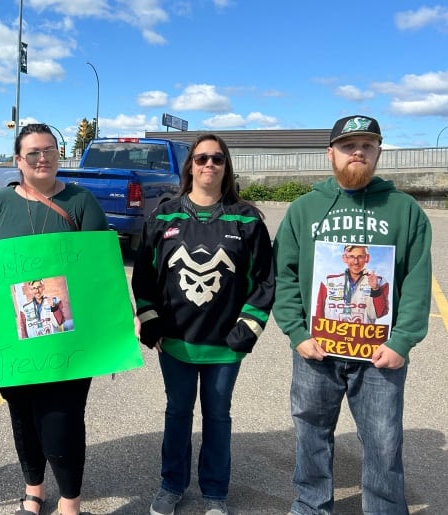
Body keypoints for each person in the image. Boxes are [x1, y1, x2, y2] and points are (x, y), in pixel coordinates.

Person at [0, 123, 108, 515]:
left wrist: (121, 320)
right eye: (32, 152)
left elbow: (103, 272)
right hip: (10, 339)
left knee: (62, 420)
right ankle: (34, 489)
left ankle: (70, 498)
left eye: (49, 150)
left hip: (67, 338)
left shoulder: (82, 202)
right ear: (18, 160)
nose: (42, 158)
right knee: (23, 417)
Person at [272, 115, 432, 514]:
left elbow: (416, 279)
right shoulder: (304, 209)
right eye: (348, 145)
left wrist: (402, 340)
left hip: (380, 356)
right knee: (311, 434)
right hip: (317, 349)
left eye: (367, 144)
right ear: (331, 153)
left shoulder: (404, 210)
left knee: (383, 441)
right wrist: (296, 332)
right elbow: (283, 275)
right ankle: (310, 506)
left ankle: (384, 509)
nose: (357, 152)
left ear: (378, 151)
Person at [132, 134, 274, 515]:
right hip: (176, 343)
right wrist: (150, 323)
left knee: (217, 417)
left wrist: (246, 331)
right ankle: (171, 485)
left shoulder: (246, 219)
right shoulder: (163, 216)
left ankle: (215, 493)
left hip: (225, 346)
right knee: (177, 414)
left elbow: (264, 281)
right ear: (189, 166)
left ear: (226, 166)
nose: (209, 165)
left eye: (217, 159)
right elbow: (144, 276)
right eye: (201, 159)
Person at [315, 244, 389, 323]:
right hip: (333, 334)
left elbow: (380, 314)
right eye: (351, 256)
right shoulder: (329, 281)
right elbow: (319, 314)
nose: (356, 262)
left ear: (367, 258)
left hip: (363, 334)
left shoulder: (380, 282)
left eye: (360, 256)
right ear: (344, 258)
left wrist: (375, 289)